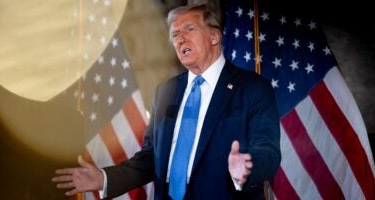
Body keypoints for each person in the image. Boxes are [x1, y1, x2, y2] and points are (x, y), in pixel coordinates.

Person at [52, 4, 281, 200]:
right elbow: (151, 158)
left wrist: (247, 167)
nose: (180, 38)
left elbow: (268, 151)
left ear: (214, 36)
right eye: (175, 34)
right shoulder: (166, 91)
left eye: (189, 29)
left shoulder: (252, 88)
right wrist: (105, 178)